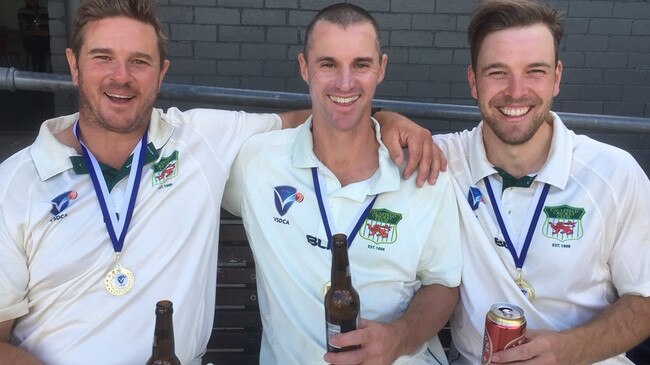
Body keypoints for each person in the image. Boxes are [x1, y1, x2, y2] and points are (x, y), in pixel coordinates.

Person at [0, 0, 441, 364]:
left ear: (162, 71)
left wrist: (384, 118)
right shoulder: (14, 183)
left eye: (139, 61)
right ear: (74, 66)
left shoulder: (199, 141)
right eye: (103, 58)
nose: (122, 76)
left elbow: (330, 113)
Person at [222, 4, 462, 365]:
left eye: (361, 65)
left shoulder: (422, 171)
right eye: (328, 64)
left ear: (381, 68)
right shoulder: (257, 162)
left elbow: (443, 283)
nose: (345, 82)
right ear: (304, 67)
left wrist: (399, 338)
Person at [431, 0, 650, 364]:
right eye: (497, 72)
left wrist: (570, 348)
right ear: (473, 80)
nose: (516, 91)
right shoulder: (439, 160)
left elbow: (645, 298)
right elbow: (329, 130)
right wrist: (384, 119)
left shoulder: (614, 172)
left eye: (535, 71)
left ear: (557, 77)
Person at [17, 0, 50, 72]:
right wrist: (35, 29)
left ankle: (39, 71)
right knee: (36, 44)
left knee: (40, 44)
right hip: (30, 41)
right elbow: (24, 27)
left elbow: (49, 27)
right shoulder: (22, 11)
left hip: (44, 40)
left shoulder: (44, 11)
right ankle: (40, 70)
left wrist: (38, 31)